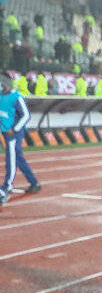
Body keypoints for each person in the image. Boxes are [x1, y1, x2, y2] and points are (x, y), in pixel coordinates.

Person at [0, 72, 40, 205]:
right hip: (6, 132)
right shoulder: (1, 96)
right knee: (18, 158)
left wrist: (15, 129)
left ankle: (7, 187)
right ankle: (34, 182)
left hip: (14, 133)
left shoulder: (17, 97)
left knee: (11, 159)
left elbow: (26, 116)